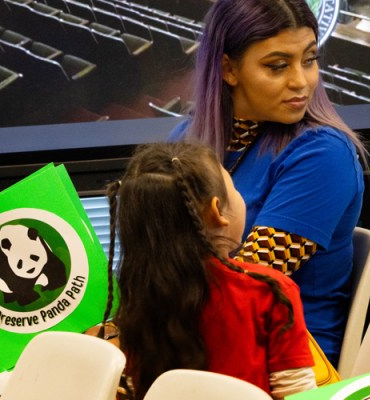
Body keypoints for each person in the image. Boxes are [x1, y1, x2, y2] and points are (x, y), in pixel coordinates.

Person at [171, 0, 366, 363]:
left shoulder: (324, 154)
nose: (301, 82)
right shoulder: (187, 138)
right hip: (196, 348)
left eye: (309, 60)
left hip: (284, 367)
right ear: (228, 69)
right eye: (278, 66)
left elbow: (243, 291)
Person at [102, 141, 316, 399]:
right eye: (234, 188)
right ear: (217, 211)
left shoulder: (139, 293)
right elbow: (298, 395)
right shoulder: (269, 289)